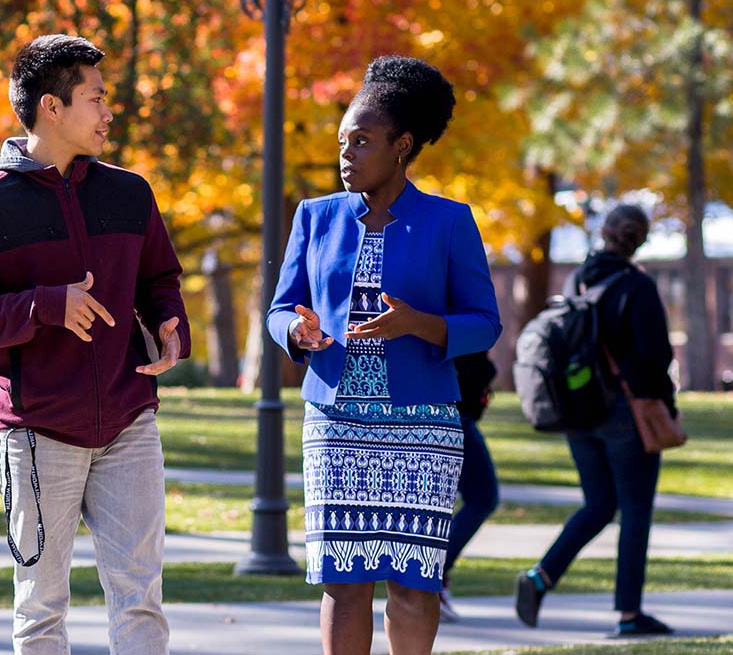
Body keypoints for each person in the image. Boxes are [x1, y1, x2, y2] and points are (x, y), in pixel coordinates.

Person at [0, 33, 190, 655]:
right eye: (96, 99)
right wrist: (48, 306)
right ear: (52, 107)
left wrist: (168, 322)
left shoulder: (130, 193)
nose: (109, 113)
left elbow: (160, 277)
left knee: (141, 599)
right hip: (36, 431)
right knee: (42, 611)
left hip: (130, 420)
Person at [268, 56, 501, 655]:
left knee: (412, 585)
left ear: (401, 145)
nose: (346, 156)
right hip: (336, 420)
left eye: (363, 142)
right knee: (343, 583)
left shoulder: (450, 221)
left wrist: (417, 324)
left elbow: (484, 323)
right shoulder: (315, 217)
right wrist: (298, 333)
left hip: (422, 425)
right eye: (343, 142)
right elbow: (280, 308)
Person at [516, 204, 676, 637]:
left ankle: (539, 577)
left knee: (600, 505)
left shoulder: (577, 278)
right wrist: (664, 403)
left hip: (579, 412)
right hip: (625, 413)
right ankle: (629, 614)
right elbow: (656, 356)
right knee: (635, 511)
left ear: (604, 234)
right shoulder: (637, 286)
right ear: (639, 240)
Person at [439, 350, 500, 622]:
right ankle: (434, 575)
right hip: (454, 415)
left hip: (456, 413)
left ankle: (434, 575)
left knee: (478, 499)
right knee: (483, 498)